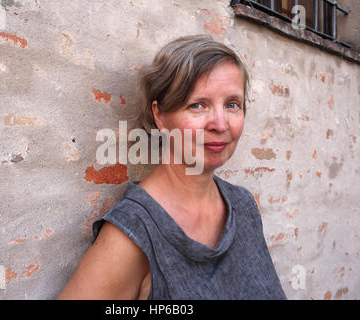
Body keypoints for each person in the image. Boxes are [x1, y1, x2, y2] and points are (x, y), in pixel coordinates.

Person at [58, 34, 286, 300]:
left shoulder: (243, 206)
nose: (221, 125)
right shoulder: (135, 233)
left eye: (232, 104)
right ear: (160, 116)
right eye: (198, 105)